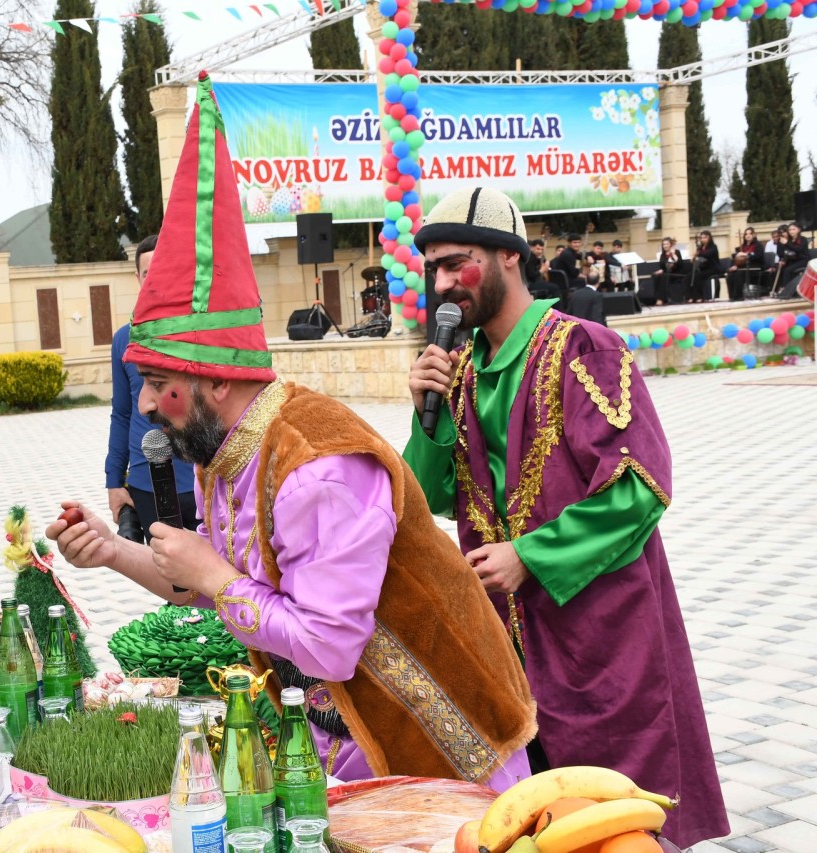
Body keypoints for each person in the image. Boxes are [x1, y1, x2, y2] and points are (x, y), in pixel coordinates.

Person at [49, 74, 536, 789]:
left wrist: (214, 574)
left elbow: (327, 644)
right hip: (341, 740)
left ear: (215, 379)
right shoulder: (226, 449)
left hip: (438, 746)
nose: (146, 405)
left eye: (159, 385)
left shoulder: (316, 467)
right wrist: (111, 551)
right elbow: (207, 582)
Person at [403, 186, 729, 850]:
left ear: (508, 258)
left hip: (599, 637)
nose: (441, 285)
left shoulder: (586, 348)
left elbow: (640, 485)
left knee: (616, 821)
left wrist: (531, 555)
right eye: (431, 268)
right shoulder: (461, 370)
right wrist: (424, 409)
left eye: (454, 263)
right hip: (508, 647)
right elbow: (432, 496)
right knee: (531, 823)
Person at [106, 235, 199, 541]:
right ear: (138, 279)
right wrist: (114, 481)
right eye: (148, 274)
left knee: (214, 578)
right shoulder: (123, 339)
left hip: (202, 481)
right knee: (164, 579)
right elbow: (121, 414)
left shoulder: (201, 334)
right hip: (146, 484)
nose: (156, 281)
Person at [727, 227, 765, 300]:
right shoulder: (742, 246)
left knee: (739, 273)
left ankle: (739, 296)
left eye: (750, 233)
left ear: (754, 235)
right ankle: (732, 296)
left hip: (754, 267)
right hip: (744, 267)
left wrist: (746, 255)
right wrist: (735, 265)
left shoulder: (758, 245)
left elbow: (758, 256)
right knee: (731, 274)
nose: (748, 235)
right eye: (746, 234)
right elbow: (735, 256)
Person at [651, 236, 683, 305]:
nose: (665, 246)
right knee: (656, 276)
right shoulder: (663, 254)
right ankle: (658, 298)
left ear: (670, 245)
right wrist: (661, 270)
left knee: (664, 277)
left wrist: (673, 254)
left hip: (675, 273)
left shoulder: (677, 252)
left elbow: (680, 264)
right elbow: (662, 266)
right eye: (664, 244)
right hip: (666, 273)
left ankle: (661, 299)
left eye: (667, 244)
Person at [690, 230, 721, 303]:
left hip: (712, 268)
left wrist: (698, 254)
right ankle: (690, 297)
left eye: (705, 237)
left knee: (698, 276)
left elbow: (708, 254)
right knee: (689, 276)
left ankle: (700, 297)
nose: (703, 239)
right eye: (701, 238)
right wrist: (694, 258)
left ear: (709, 238)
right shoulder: (700, 248)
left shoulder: (713, 247)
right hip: (703, 268)